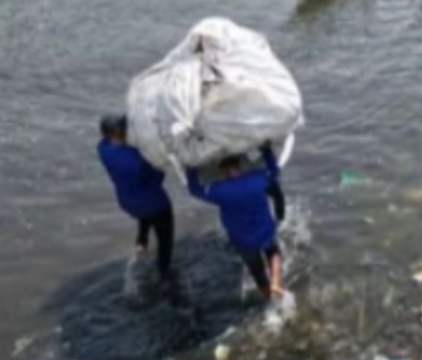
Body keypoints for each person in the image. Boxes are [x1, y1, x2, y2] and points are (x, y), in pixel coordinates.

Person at [187, 144, 285, 300]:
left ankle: (269, 298)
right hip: (265, 231)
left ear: (224, 173)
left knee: (257, 272)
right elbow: (274, 172)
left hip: (243, 240)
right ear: (239, 167)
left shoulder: (220, 190)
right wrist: (266, 151)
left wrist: (190, 168)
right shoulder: (258, 180)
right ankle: (276, 283)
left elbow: (194, 189)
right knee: (274, 254)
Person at [97, 115, 175, 283]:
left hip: (128, 202)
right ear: (117, 134)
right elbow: (159, 175)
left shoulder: (103, 149)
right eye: (123, 131)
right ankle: (164, 275)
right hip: (156, 205)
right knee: (165, 242)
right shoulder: (138, 160)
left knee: (144, 213)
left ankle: (141, 243)